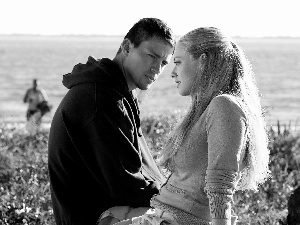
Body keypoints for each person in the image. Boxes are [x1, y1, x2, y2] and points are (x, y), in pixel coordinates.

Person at [113, 27, 270, 225]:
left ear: (203, 61)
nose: (172, 72)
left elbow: (220, 185)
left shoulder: (224, 106)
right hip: (161, 216)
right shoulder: (204, 110)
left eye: (178, 62)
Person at [48, 18, 176, 225]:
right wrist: (178, 199)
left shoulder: (118, 92)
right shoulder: (100, 100)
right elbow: (126, 186)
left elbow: (141, 170)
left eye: (163, 63)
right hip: (94, 217)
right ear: (126, 47)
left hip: (111, 209)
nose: (156, 68)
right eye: (151, 56)